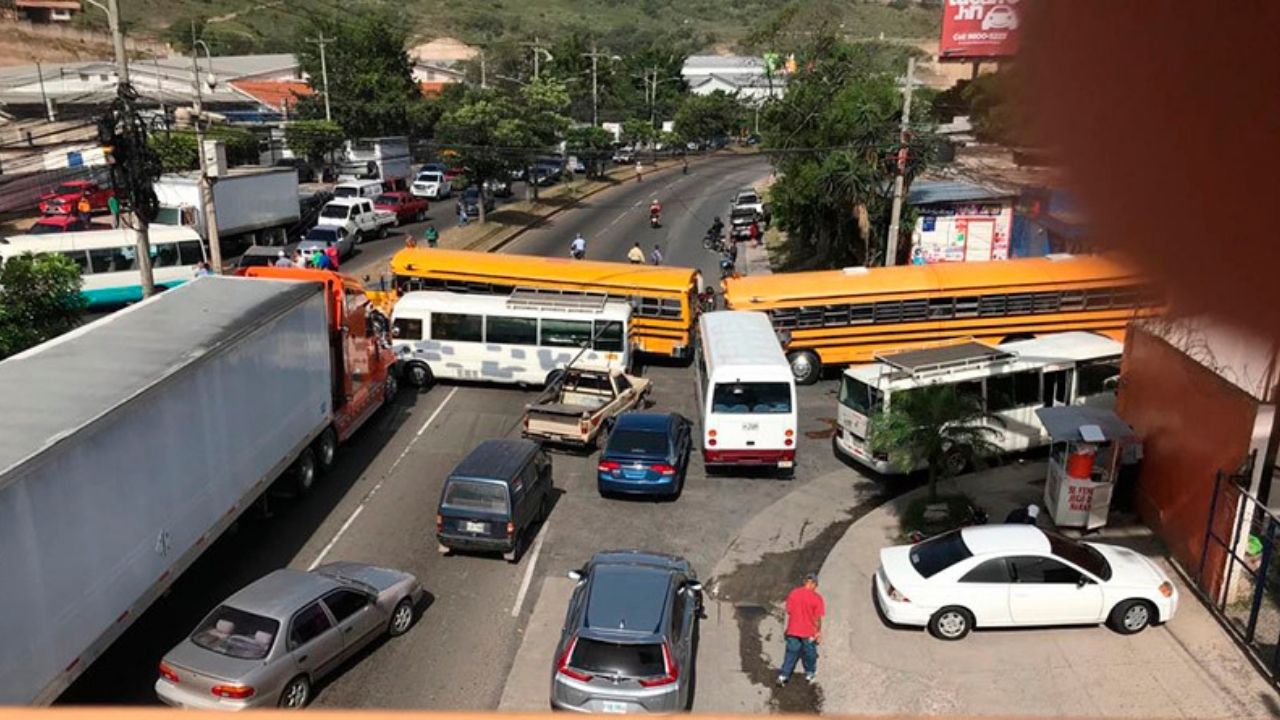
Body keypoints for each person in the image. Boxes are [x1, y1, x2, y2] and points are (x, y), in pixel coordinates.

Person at [777, 573, 824, 686]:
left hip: (793, 630)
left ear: (805, 582)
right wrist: (818, 632)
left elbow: (789, 610)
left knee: (791, 652)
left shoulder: (794, 593)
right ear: (814, 584)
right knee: (810, 653)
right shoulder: (817, 598)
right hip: (808, 632)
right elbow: (817, 618)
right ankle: (809, 673)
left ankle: (784, 675)